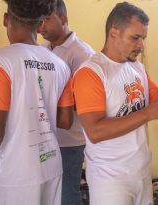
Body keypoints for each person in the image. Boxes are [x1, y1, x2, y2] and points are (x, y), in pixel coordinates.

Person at [72, 2, 158, 205]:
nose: (141, 45)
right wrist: (148, 113)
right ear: (114, 33)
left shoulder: (136, 67)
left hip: (141, 173)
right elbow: (95, 131)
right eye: (135, 38)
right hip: (110, 181)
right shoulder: (91, 72)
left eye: (143, 38)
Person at [0, 0, 74, 204]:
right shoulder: (60, 65)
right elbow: (66, 121)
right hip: (51, 166)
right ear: (41, 25)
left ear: (6, 19)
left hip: (16, 173)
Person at [38, 1, 95, 204]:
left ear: (63, 20)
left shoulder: (82, 53)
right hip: (45, 137)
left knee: (66, 194)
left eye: (46, 19)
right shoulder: (42, 49)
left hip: (69, 140)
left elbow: (86, 101)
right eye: (40, 19)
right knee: (48, 194)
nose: (41, 25)